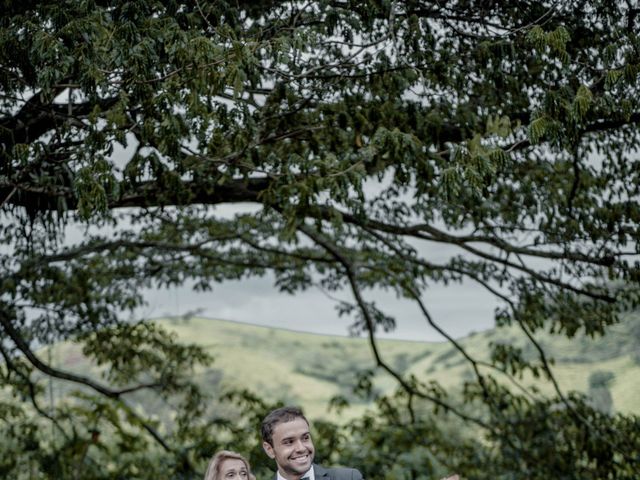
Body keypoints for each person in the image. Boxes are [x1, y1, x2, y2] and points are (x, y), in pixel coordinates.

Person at [261, 405, 363, 480]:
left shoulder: (349, 477)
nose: (301, 448)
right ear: (269, 449)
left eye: (305, 438)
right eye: (289, 442)